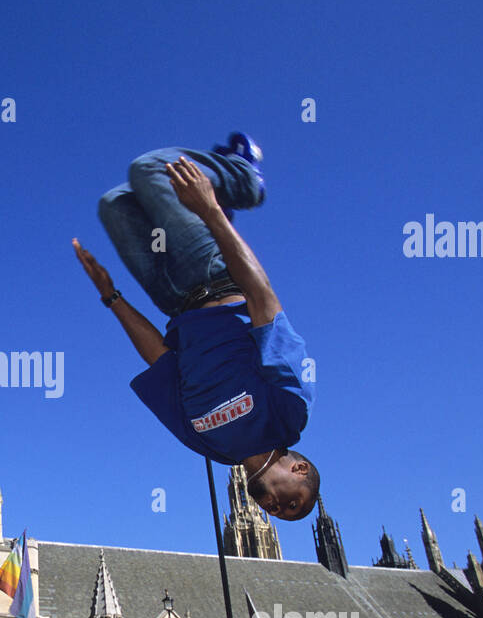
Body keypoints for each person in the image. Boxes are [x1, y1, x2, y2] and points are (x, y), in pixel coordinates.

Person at [74, 136, 318, 521]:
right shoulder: (289, 414)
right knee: (148, 170)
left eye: (278, 514)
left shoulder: (214, 449)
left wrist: (111, 297)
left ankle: (213, 195)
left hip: (170, 298)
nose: (276, 509)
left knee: (115, 205)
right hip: (213, 273)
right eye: (293, 503)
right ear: (299, 470)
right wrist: (211, 213)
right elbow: (262, 299)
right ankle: (241, 177)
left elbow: (161, 360)